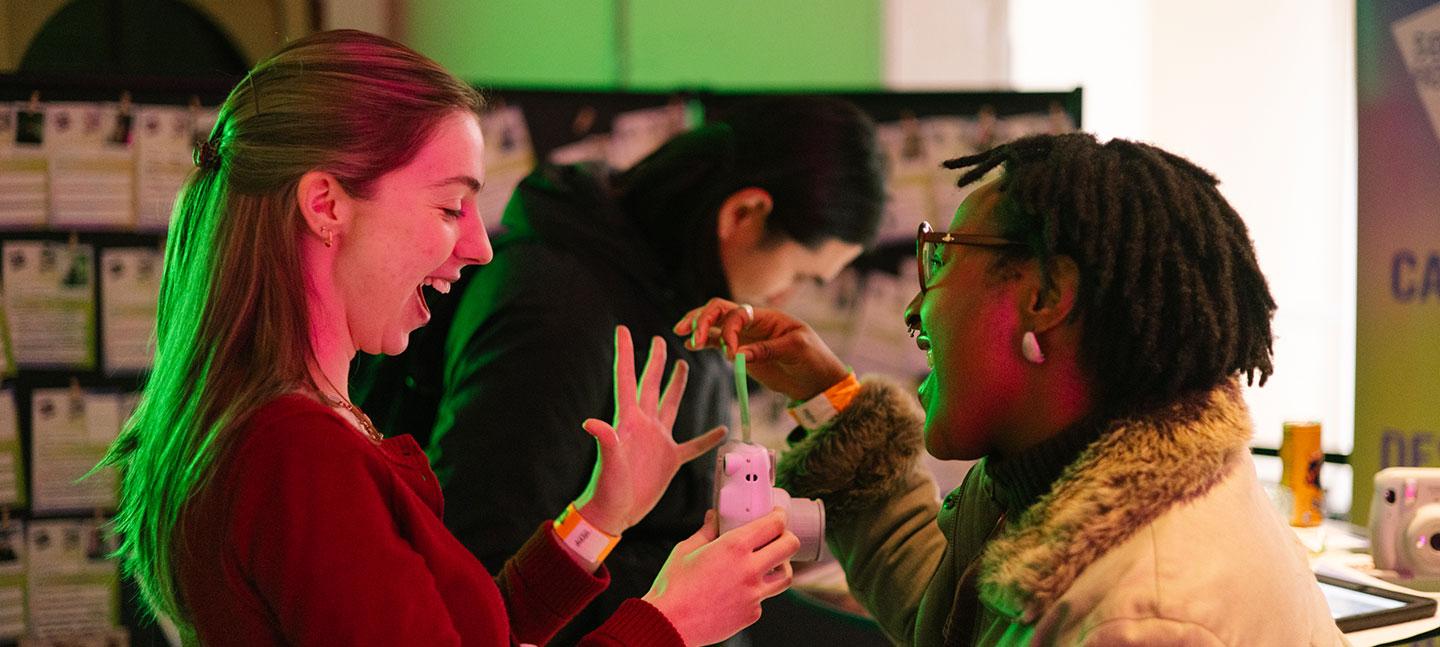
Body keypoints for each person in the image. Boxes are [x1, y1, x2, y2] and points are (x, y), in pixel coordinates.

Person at [98, 30, 798, 646]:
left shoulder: (301, 422)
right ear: (326, 205)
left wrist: (599, 516)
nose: (478, 246)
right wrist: (671, 622)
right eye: (448, 206)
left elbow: (464, 630)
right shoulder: (297, 448)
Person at [677, 133, 1345, 645]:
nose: (915, 311)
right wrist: (832, 401)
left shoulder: (1144, 619)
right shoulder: (1070, 478)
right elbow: (945, 615)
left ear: (1045, 297)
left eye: (941, 259)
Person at [353, 95, 885, 640]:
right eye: (801, 274)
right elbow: (481, 582)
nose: (787, 298)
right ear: (742, 214)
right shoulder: (559, 307)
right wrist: (675, 599)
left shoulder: (681, 296)